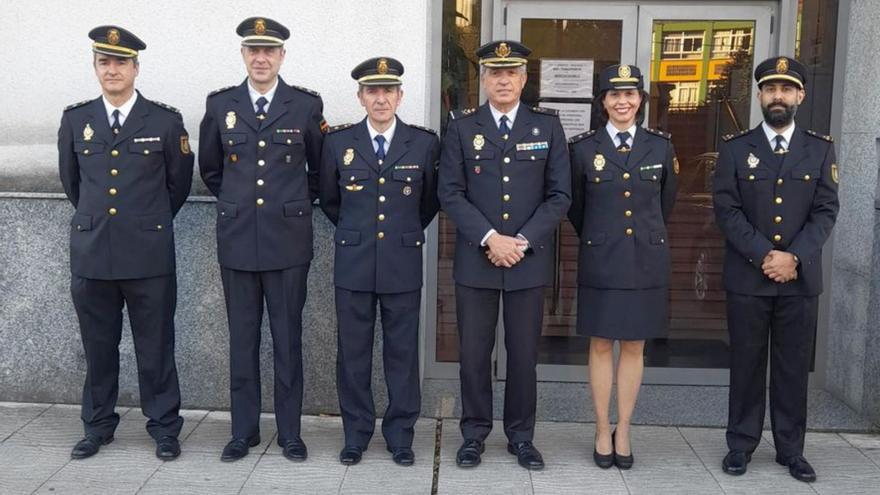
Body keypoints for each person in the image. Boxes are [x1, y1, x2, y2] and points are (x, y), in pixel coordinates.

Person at [58, 25, 193, 461]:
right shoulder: (76, 119)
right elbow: (72, 184)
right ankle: (97, 426)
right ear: (96, 67)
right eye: (104, 62)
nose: (112, 69)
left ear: (136, 67)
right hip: (94, 253)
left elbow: (178, 186)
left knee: (156, 346)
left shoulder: (165, 121)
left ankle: (165, 427)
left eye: (120, 62)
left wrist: (145, 224)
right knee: (98, 348)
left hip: (148, 255)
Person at [198, 16, 327, 462]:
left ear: (281, 56)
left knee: (288, 340)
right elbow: (212, 170)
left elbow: (319, 171)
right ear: (243, 55)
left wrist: (288, 205)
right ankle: (243, 431)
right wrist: (240, 204)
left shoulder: (305, 105)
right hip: (237, 240)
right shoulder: (221, 105)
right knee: (243, 339)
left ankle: (290, 432)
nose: (261, 57)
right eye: (253, 50)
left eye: (269, 50)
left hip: (288, 242)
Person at [438, 40, 571, 471]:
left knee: (523, 355)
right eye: (495, 73)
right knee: (474, 354)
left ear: (524, 78)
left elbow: (559, 196)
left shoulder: (546, 127)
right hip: (477, 261)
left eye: (511, 72)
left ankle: (521, 436)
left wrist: (521, 241)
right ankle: (474, 433)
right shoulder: (461, 127)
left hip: (526, 263)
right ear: (484, 79)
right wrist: (491, 238)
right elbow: (450, 194)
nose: (503, 80)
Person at [713, 56, 839, 483]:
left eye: (786, 89)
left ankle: (791, 449)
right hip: (749, 277)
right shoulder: (735, 147)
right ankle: (740, 445)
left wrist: (794, 258)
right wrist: (766, 255)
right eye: (770, 89)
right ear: (760, 96)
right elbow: (727, 209)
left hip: (799, 280)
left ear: (800, 95)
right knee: (746, 364)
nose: (778, 96)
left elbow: (825, 210)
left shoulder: (819, 148)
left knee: (791, 367)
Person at [319, 57, 440, 466]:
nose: (381, 98)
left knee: (402, 353)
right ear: (360, 97)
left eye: (389, 90)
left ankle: (401, 434)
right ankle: (355, 433)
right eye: (373, 91)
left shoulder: (423, 144)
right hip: (353, 262)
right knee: (352, 353)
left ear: (400, 96)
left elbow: (429, 203)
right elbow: (330, 202)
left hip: (402, 263)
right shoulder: (338, 143)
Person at [567, 64, 678, 470]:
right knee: (599, 344)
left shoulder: (660, 146)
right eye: (614, 95)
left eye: (630, 95)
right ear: (603, 103)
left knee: (634, 346)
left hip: (647, 260)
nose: (622, 102)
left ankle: (625, 427)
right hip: (602, 258)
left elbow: (666, 203)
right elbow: (576, 209)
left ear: (641, 101)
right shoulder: (582, 148)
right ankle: (600, 427)